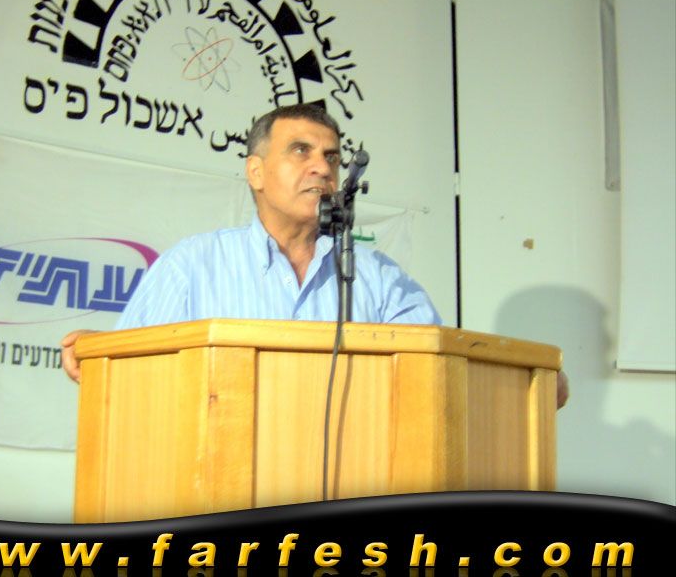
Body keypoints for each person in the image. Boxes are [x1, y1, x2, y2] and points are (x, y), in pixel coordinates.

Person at [61, 103, 569, 408]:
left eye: (331, 157)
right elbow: (121, 374)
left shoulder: (378, 280)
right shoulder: (192, 265)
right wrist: (96, 351)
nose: (322, 168)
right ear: (255, 172)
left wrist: (524, 383)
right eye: (300, 151)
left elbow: (442, 375)